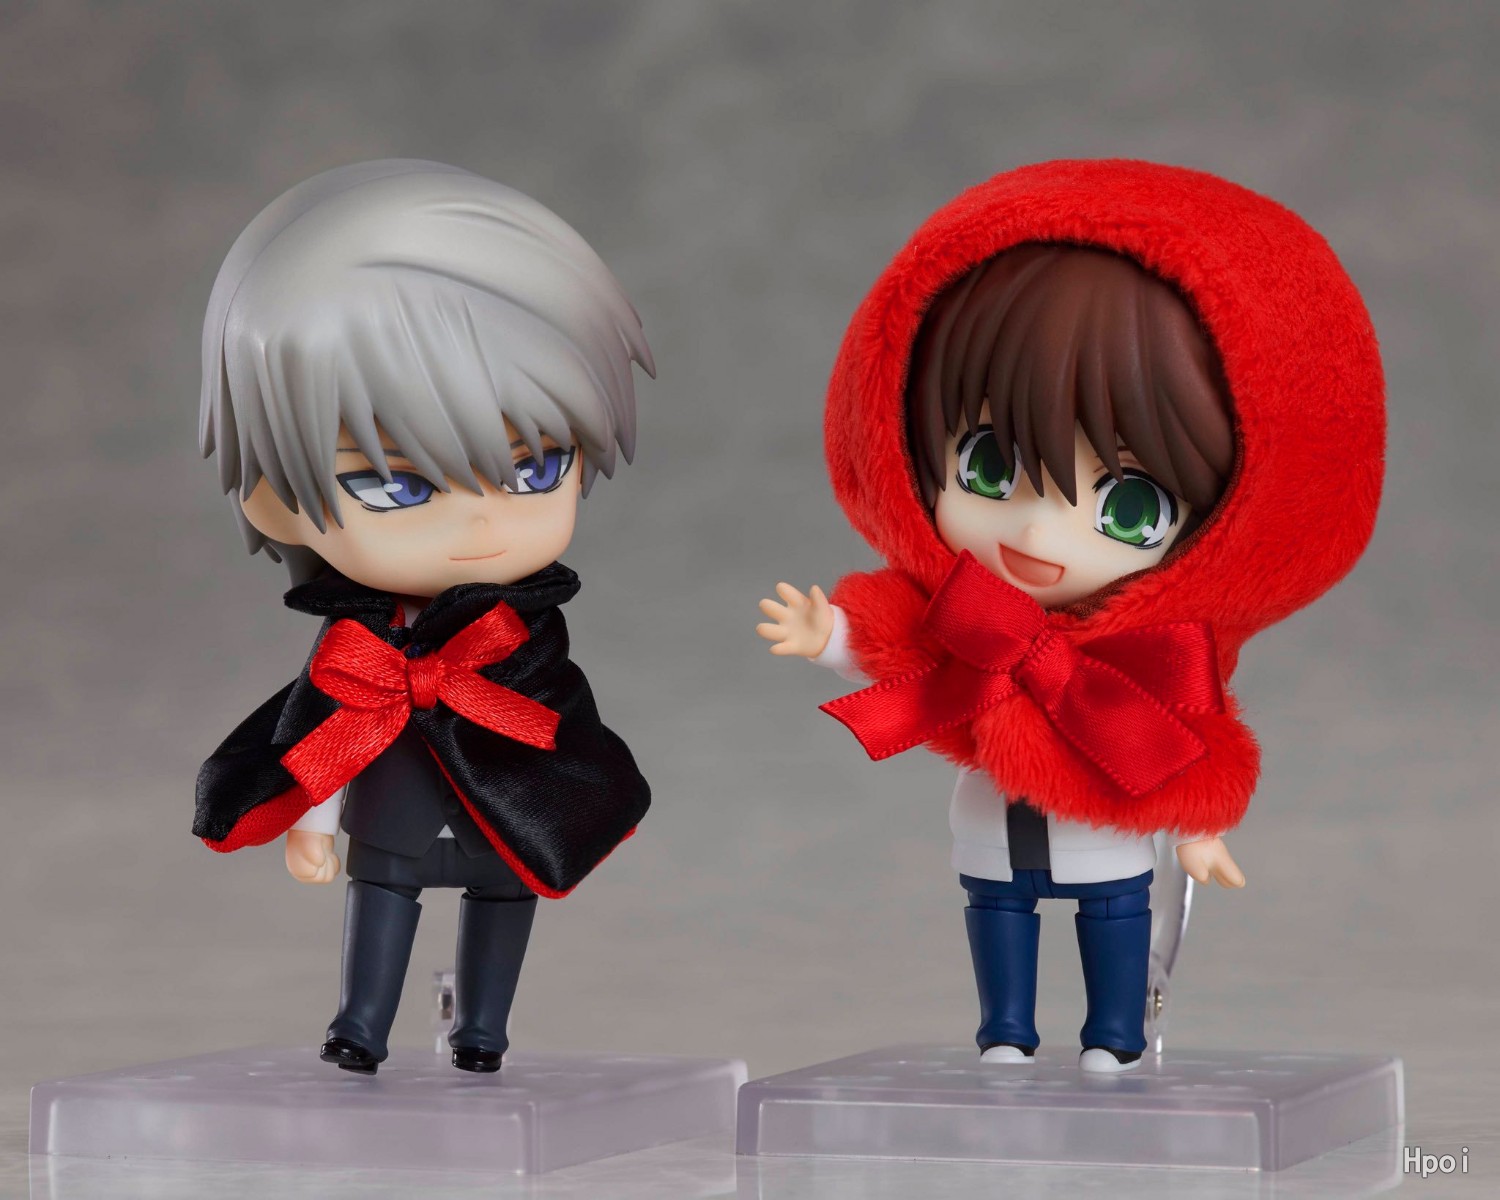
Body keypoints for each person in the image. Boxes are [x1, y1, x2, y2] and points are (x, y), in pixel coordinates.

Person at [757, 160, 1385, 1073]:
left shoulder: (1154, 657)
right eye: (986, 466)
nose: (1038, 532)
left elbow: (1189, 740)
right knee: (997, 918)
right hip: (989, 825)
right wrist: (832, 637)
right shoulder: (964, 615)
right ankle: (1006, 1031)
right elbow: (898, 641)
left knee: (1113, 921)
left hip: (1108, 831)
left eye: (1128, 508)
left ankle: (1114, 1036)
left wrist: (1198, 830)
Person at [192, 160, 654, 1076]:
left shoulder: (522, 640)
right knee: (381, 897)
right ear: (278, 501)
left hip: (507, 807)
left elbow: (561, 722)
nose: (480, 522)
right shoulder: (360, 647)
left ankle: (483, 1031)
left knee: (505, 900)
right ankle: (360, 1025)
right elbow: (324, 727)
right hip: (393, 812)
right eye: (394, 484)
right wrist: (312, 822)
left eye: (535, 467)